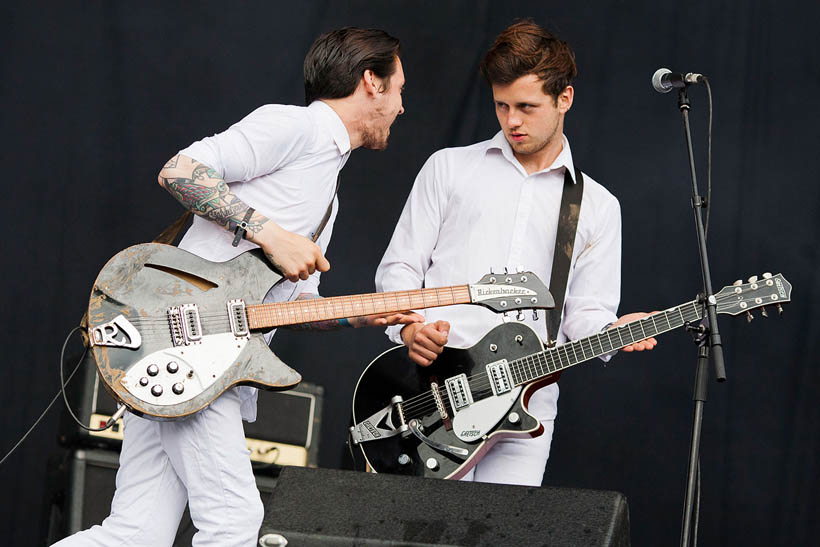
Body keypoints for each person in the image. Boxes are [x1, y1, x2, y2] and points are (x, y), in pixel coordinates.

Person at [55, 27, 418, 546]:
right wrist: (270, 234)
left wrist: (363, 315)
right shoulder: (298, 127)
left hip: (190, 360)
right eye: (400, 88)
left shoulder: (327, 190)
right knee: (234, 525)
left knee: (135, 534)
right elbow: (181, 170)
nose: (403, 107)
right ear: (371, 82)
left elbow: (291, 306)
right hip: (193, 351)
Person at [375, 20, 656, 487]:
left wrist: (613, 330)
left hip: (528, 398)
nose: (512, 122)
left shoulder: (598, 206)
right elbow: (401, 266)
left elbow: (583, 313)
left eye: (527, 106)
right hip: (432, 388)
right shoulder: (449, 168)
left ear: (564, 99)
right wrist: (409, 328)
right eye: (502, 106)